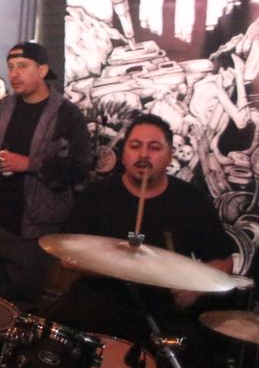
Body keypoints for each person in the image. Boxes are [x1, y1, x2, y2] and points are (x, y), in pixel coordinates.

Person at [45, 113, 236, 355]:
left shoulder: (191, 201)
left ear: (170, 156)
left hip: (159, 310)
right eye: (135, 146)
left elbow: (223, 261)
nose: (143, 155)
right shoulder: (97, 194)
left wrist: (195, 290)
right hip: (96, 300)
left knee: (195, 357)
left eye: (154, 148)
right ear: (124, 154)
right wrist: (121, 266)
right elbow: (67, 256)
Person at [0, 41, 91, 308]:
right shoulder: (2, 108)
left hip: (34, 233)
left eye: (22, 66)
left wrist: (29, 164)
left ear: (43, 70)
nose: (14, 74)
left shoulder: (67, 114)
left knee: (22, 308)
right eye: (11, 67)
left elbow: (79, 168)